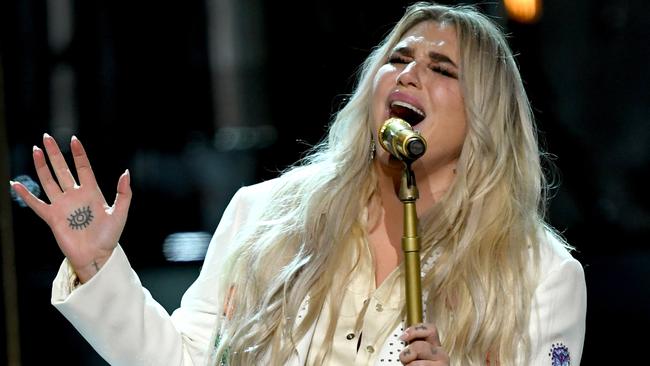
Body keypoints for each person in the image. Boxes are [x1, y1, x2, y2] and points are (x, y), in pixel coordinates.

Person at [10, 2, 586, 365]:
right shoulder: (264, 216)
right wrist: (98, 266)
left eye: (442, 69)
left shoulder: (541, 276)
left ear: (486, 117)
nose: (409, 73)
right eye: (399, 58)